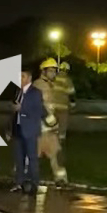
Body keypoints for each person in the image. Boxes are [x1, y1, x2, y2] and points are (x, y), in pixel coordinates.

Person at [33, 58, 68, 186]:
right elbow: (39, 105)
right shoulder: (39, 85)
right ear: (44, 71)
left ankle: (60, 179)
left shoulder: (51, 85)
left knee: (55, 153)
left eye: (55, 71)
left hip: (49, 127)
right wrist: (49, 119)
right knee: (34, 155)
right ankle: (25, 177)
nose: (53, 74)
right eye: (51, 71)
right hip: (39, 127)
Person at [10, 69, 43, 194]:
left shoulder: (35, 93)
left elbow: (38, 111)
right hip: (18, 129)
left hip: (30, 130)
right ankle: (19, 183)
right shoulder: (18, 92)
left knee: (32, 158)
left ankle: (34, 184)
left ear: (29, 78)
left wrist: (21, 109)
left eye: (22, 77)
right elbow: (14, 110)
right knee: (19, 158)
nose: (19, 79)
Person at [53, 61, 76, 141]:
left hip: (53, 105)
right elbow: (71, 92)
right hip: (63, 105)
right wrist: (73, 103)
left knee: (53, 123)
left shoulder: (53, 78)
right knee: (63, 123)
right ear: (67, 70)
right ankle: (61, 139)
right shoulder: (67, 79)